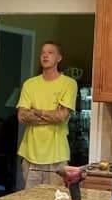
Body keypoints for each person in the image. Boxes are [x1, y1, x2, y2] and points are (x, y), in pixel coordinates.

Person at [16, 41, 78, 188]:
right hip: (30, 155)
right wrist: (52, 116)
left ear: (59, 58)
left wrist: (36, 111)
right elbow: (22, 116)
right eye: (43, 52)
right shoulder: (29, 84)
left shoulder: (69, 84)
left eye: (50, 52)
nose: (45, 55)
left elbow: (62, 116)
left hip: (57, 156)